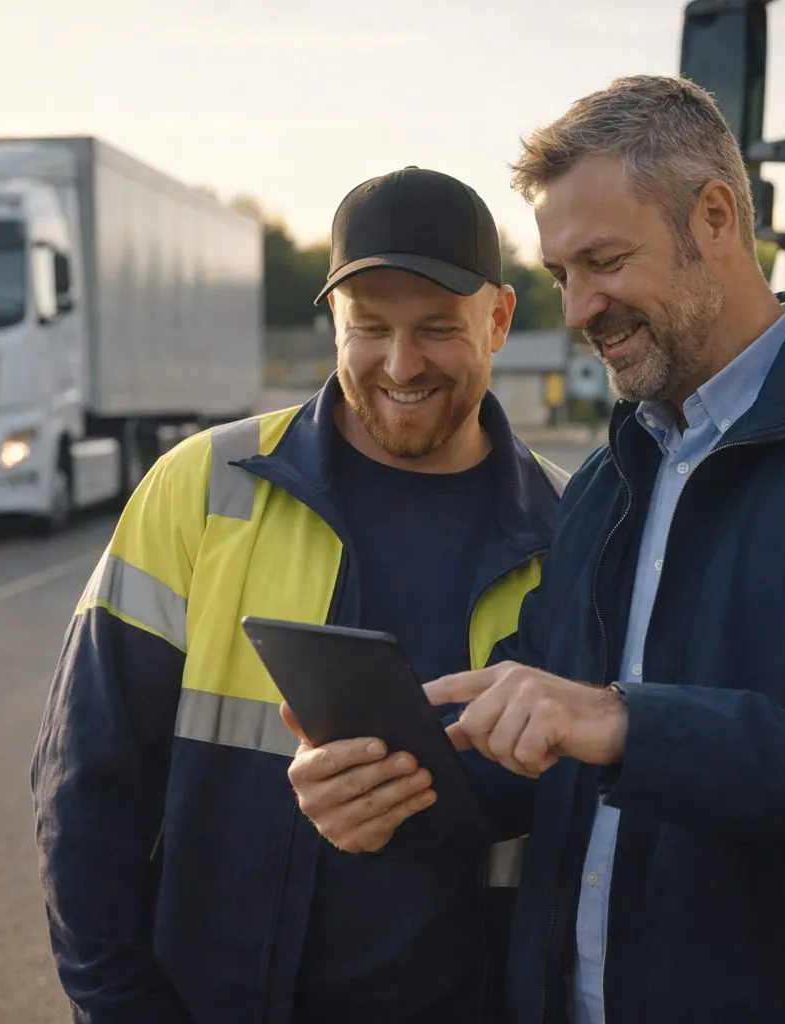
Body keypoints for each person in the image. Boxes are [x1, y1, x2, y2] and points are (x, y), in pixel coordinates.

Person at [287, 75, 785, 1023]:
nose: (580, 307)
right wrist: (389, 786)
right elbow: (540, 733)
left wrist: (627, 723)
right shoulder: (608, 480)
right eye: (562, 275)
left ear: (716, 219)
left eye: (603, 261)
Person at [30, 165, 568, 1024]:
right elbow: (88, 784)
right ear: (333, 323)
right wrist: (122, 1007)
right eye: (370, 328)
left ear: (499, 317)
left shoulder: (572, 532)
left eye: (436, 328)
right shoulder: (200, 489)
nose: (401, 364)